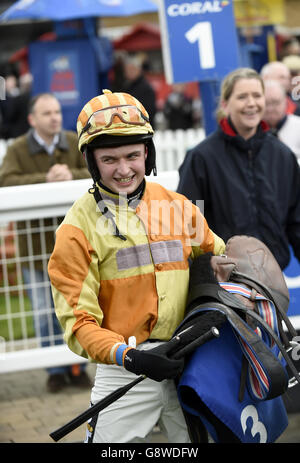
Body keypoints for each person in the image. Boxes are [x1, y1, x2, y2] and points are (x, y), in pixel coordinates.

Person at [47, 89, 226, 443]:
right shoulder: (75, 230)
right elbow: (79, 324)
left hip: (190, 358)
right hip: (125, 367)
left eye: (132, 155)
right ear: (91, 161)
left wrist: (208, 292)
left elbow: (216, 257)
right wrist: (129, 358)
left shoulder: (177, 206)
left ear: (148, 152)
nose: (124, 169)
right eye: (110, 159)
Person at [0, 92, 91, 393]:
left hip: (76, 248)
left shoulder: (74, 140)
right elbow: (6, 181)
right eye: (46, 113)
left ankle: (77, 367)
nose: (54, 116)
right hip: (35, 251)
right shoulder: (17, 148)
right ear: (32, 119)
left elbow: (95, 171)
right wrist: (45, 180)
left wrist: (70, 175)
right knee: (43, 312)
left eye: (56, 111)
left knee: (77, 308)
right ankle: (55, 371)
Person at [177, 67, 300, 271]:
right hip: (224, 281)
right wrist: (206, 272)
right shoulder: (201, 158)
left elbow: (297, 220)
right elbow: (188, 226)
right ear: (225, 104)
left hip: (273, 277)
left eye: (256, 96)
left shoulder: (282, 156)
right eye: (242, 97)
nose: (251, 103)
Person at [263, 79, 300, 158]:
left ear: (286, 102)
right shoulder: (252, 129)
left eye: (275, 102)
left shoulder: (298, 126)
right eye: (265, 103)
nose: (270, 109)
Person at [121, 53, 157, 128]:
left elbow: (150, 111)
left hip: (143, 127)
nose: (129, 72)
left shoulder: (146, 88)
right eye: (127, 70)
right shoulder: (126, 86)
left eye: (132, 69)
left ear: (139, 70)